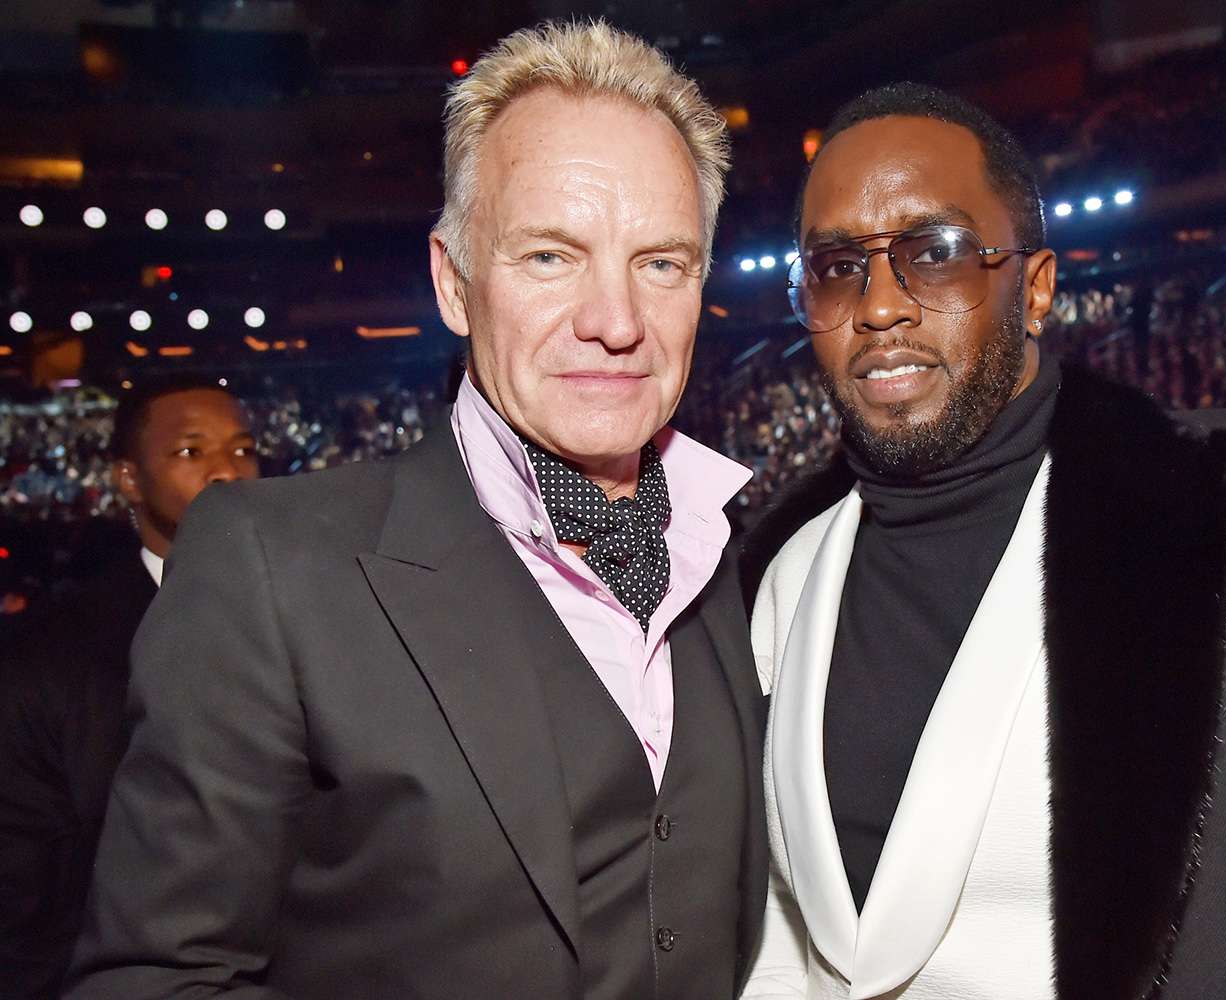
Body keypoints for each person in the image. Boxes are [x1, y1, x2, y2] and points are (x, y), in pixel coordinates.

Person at [740, 84, 1226, 999]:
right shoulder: (771, 575)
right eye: (836, 267)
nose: (880, 306)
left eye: (934, 253)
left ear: (1037, 286)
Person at [66, 21, 766, 1000]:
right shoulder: (273, 564)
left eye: (661, 263)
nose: (616, 321)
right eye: (551, 257)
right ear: (453, 280)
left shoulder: (722, 545)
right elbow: (153, 978)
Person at [1, 376, 259, 999]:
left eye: (243, 449)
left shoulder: (326, 617)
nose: (227, 470)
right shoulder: (51, 655)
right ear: (128, 479)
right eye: (191, 452)